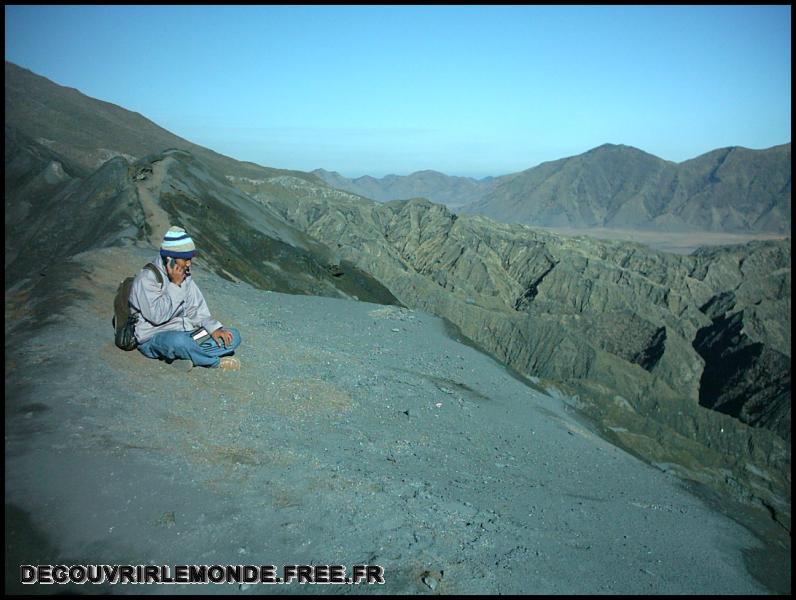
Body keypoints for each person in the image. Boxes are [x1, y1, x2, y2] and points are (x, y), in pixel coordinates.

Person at [130, 226, 242, 370]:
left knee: (233, 336)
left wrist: (214, 329)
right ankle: (213, 362)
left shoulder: (185, 275)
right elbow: (157, 317)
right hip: (154, 337)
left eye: (190, 259)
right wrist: (175, 286)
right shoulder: (147, 279)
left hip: (185, 332)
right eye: (185, 259)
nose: (189, 263)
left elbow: (197, 310)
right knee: (179, 341)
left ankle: (189, 357)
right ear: (169, 259)